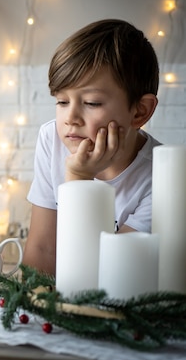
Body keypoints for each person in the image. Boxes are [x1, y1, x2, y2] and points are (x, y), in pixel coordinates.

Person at [23, 19, 161, 276]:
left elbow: (108, 274)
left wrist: (79, 179)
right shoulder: (51, 138)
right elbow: (43, 248)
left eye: (92, 102)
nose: (70, 118)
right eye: (62, 101)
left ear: (140, 111)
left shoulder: (161, 177)